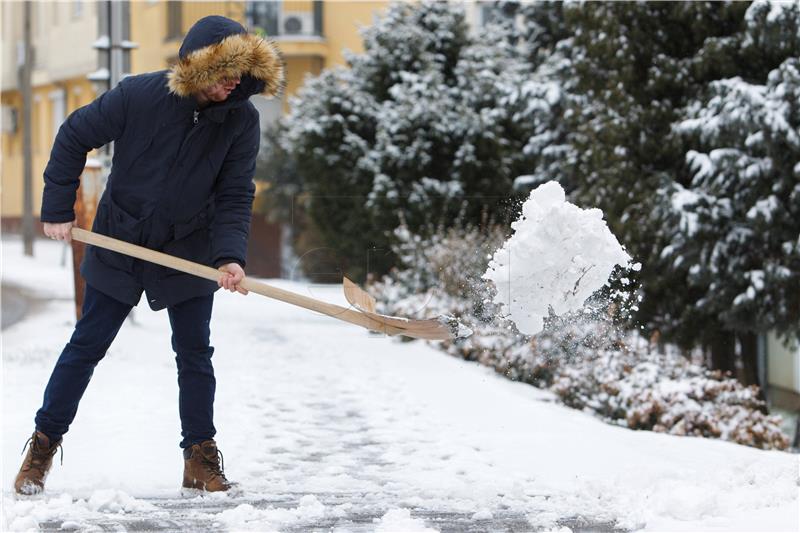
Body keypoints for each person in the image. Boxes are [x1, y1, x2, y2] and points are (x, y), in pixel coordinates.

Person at [14, 15, 284, 495]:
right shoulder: (139, 95)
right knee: (86, 346)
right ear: (197, 67)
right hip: (121, 240)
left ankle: (199, 460)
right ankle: (42, 446)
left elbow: (235, 193)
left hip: (189, 248)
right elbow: (75, 133)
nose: (232, 86)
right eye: (224, 76)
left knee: (195, 354)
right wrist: (58, 207)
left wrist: (228, 257)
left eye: (239, 78)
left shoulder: (242, 121)